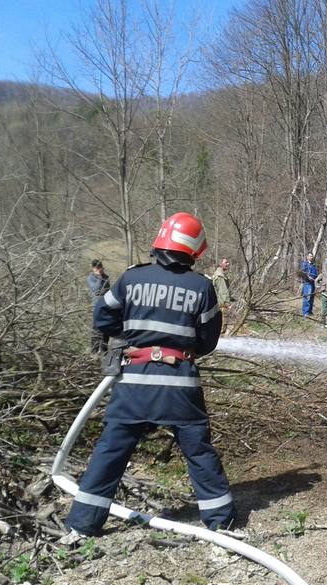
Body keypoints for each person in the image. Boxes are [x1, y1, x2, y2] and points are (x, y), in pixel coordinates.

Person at [64, 212, 236, 539]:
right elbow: (208, 341)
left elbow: (103, 315)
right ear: (194, 250)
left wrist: (124, 336)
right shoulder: (201, 287)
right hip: (180, 387)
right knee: (198, 451)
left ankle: (81, 525)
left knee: (111, 451)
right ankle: (221, 523)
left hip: (134, 383)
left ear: (160, 242)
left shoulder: (131, 279)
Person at [87, 260, 110, 354]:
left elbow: (107, 290)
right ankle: (94, 351)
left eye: (100, 267)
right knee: (96, 329)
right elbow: (96, 290)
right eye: (97, 268)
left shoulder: (107, 277)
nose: (99, 269)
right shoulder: (90, 278)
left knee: (106, 328)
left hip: (106, 305)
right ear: (93, 268)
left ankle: (104, 349)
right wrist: (100, 278)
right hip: (96, 306)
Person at [211, 258, 233, 333]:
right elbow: (223, 291)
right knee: (222, 327)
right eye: (226, 262)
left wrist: (231, 298)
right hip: (221, 305)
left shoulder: (219, 274)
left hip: (218, 304)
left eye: (228, 262)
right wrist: (228, 303)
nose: (228, 264)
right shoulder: (220, 276)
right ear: (221, 264)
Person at [299, 252, 319, 318]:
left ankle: (310, 311)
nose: (311, 257)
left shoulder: (314, 265)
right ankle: (305, 313)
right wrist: (308, 277)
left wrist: (315, 278)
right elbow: (302, 273)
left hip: (313, 283)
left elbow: (316, 274)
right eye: (310, 256)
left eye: (312, 256)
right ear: (307, 257)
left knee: (311, 298)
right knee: (307, 298)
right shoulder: (304, 264)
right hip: (307, 283)